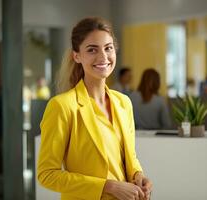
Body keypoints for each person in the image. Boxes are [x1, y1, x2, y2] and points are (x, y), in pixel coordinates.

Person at [37, 17, 152, 200]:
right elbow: (47, 174)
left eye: (108, 48)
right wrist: (108, 186)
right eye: (92, 50)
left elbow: (128, 157)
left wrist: (138, 175)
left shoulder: (124, 103)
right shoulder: (62, 106)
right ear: (77, 56)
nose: (103, 57)